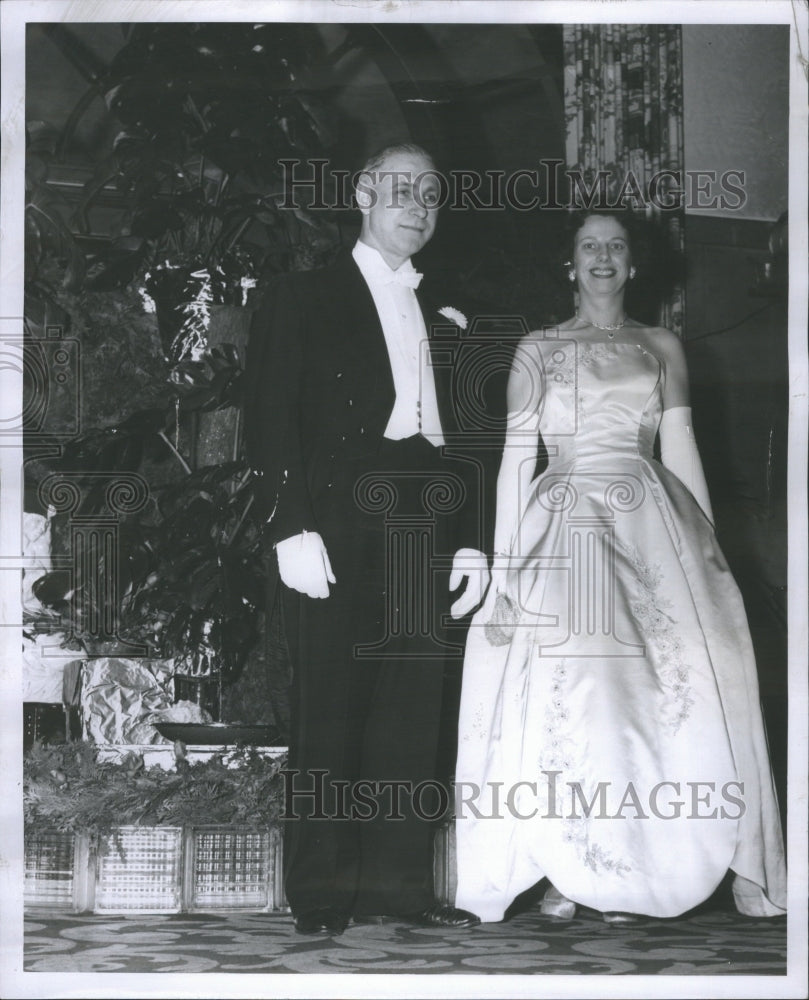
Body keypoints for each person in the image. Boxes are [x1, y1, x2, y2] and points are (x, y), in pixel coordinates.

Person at [453, 209, 787, 923]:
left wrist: (709, 554)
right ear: (568, 266)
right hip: (566, 523)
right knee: (582, 691)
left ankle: (649, 861)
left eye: (616, 246)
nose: (602, 257)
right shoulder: (536, 348)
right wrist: (507, 571)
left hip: (651, 524)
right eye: (587, 246)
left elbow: (682, 450)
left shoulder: (660, 343)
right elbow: (517, 461)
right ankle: (567, 867)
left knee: (671, 691)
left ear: (634, 266)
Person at [245, 143, 488, 935]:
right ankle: (320, 894)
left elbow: (472, 439)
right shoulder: (301, 295)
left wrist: (472, 541)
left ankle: (397, 891)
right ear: (360, 194)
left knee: (412, 712)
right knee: (331, 712)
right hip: (336, 518)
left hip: (428, 516)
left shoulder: (452, 306)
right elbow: (270, 417)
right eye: (399, 190)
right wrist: (289, 529)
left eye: (430, 194)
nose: (416, 205)